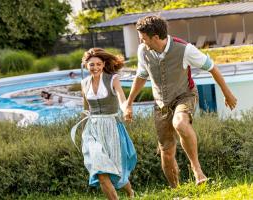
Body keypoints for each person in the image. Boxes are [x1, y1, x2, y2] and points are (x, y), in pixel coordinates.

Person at [124, 16, 237, 188]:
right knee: (167, 153)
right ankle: (175, 189)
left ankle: (196, 169)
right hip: (161, 103)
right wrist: (129, 103)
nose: (141, 42)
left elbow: (212, 67)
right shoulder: (143, 51)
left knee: (180, 123)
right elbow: (141, 76)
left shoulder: (185, 49)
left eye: (143, 38)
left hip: (184, 95)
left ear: (155, 37)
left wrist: (227, 93)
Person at [71, 48, 137, 200]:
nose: (95, 68)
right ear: (86, 65)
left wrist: (126, 109)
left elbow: (121, 97)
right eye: (91, 65)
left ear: (104, 64)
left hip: (111, 127)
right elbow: (86, 108)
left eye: (98, 64)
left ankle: (130, 193)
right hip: (92, 129)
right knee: (101, 171)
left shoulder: (112, 79)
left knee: (116, 169)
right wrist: (82, 131)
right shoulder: (84, 83)